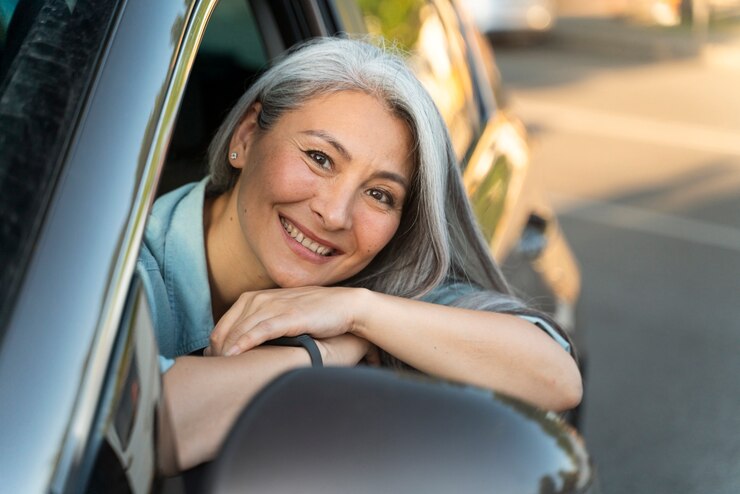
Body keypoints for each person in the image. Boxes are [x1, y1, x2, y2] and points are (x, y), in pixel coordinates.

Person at [138, 36, 581, 472]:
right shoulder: (119, 271)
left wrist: (357, 311)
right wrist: (317, 356)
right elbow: (139, 433)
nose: (334, 215)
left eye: (379, 194)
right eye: (320, 158)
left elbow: (555, 378)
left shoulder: (373, 284)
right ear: (247, 135)